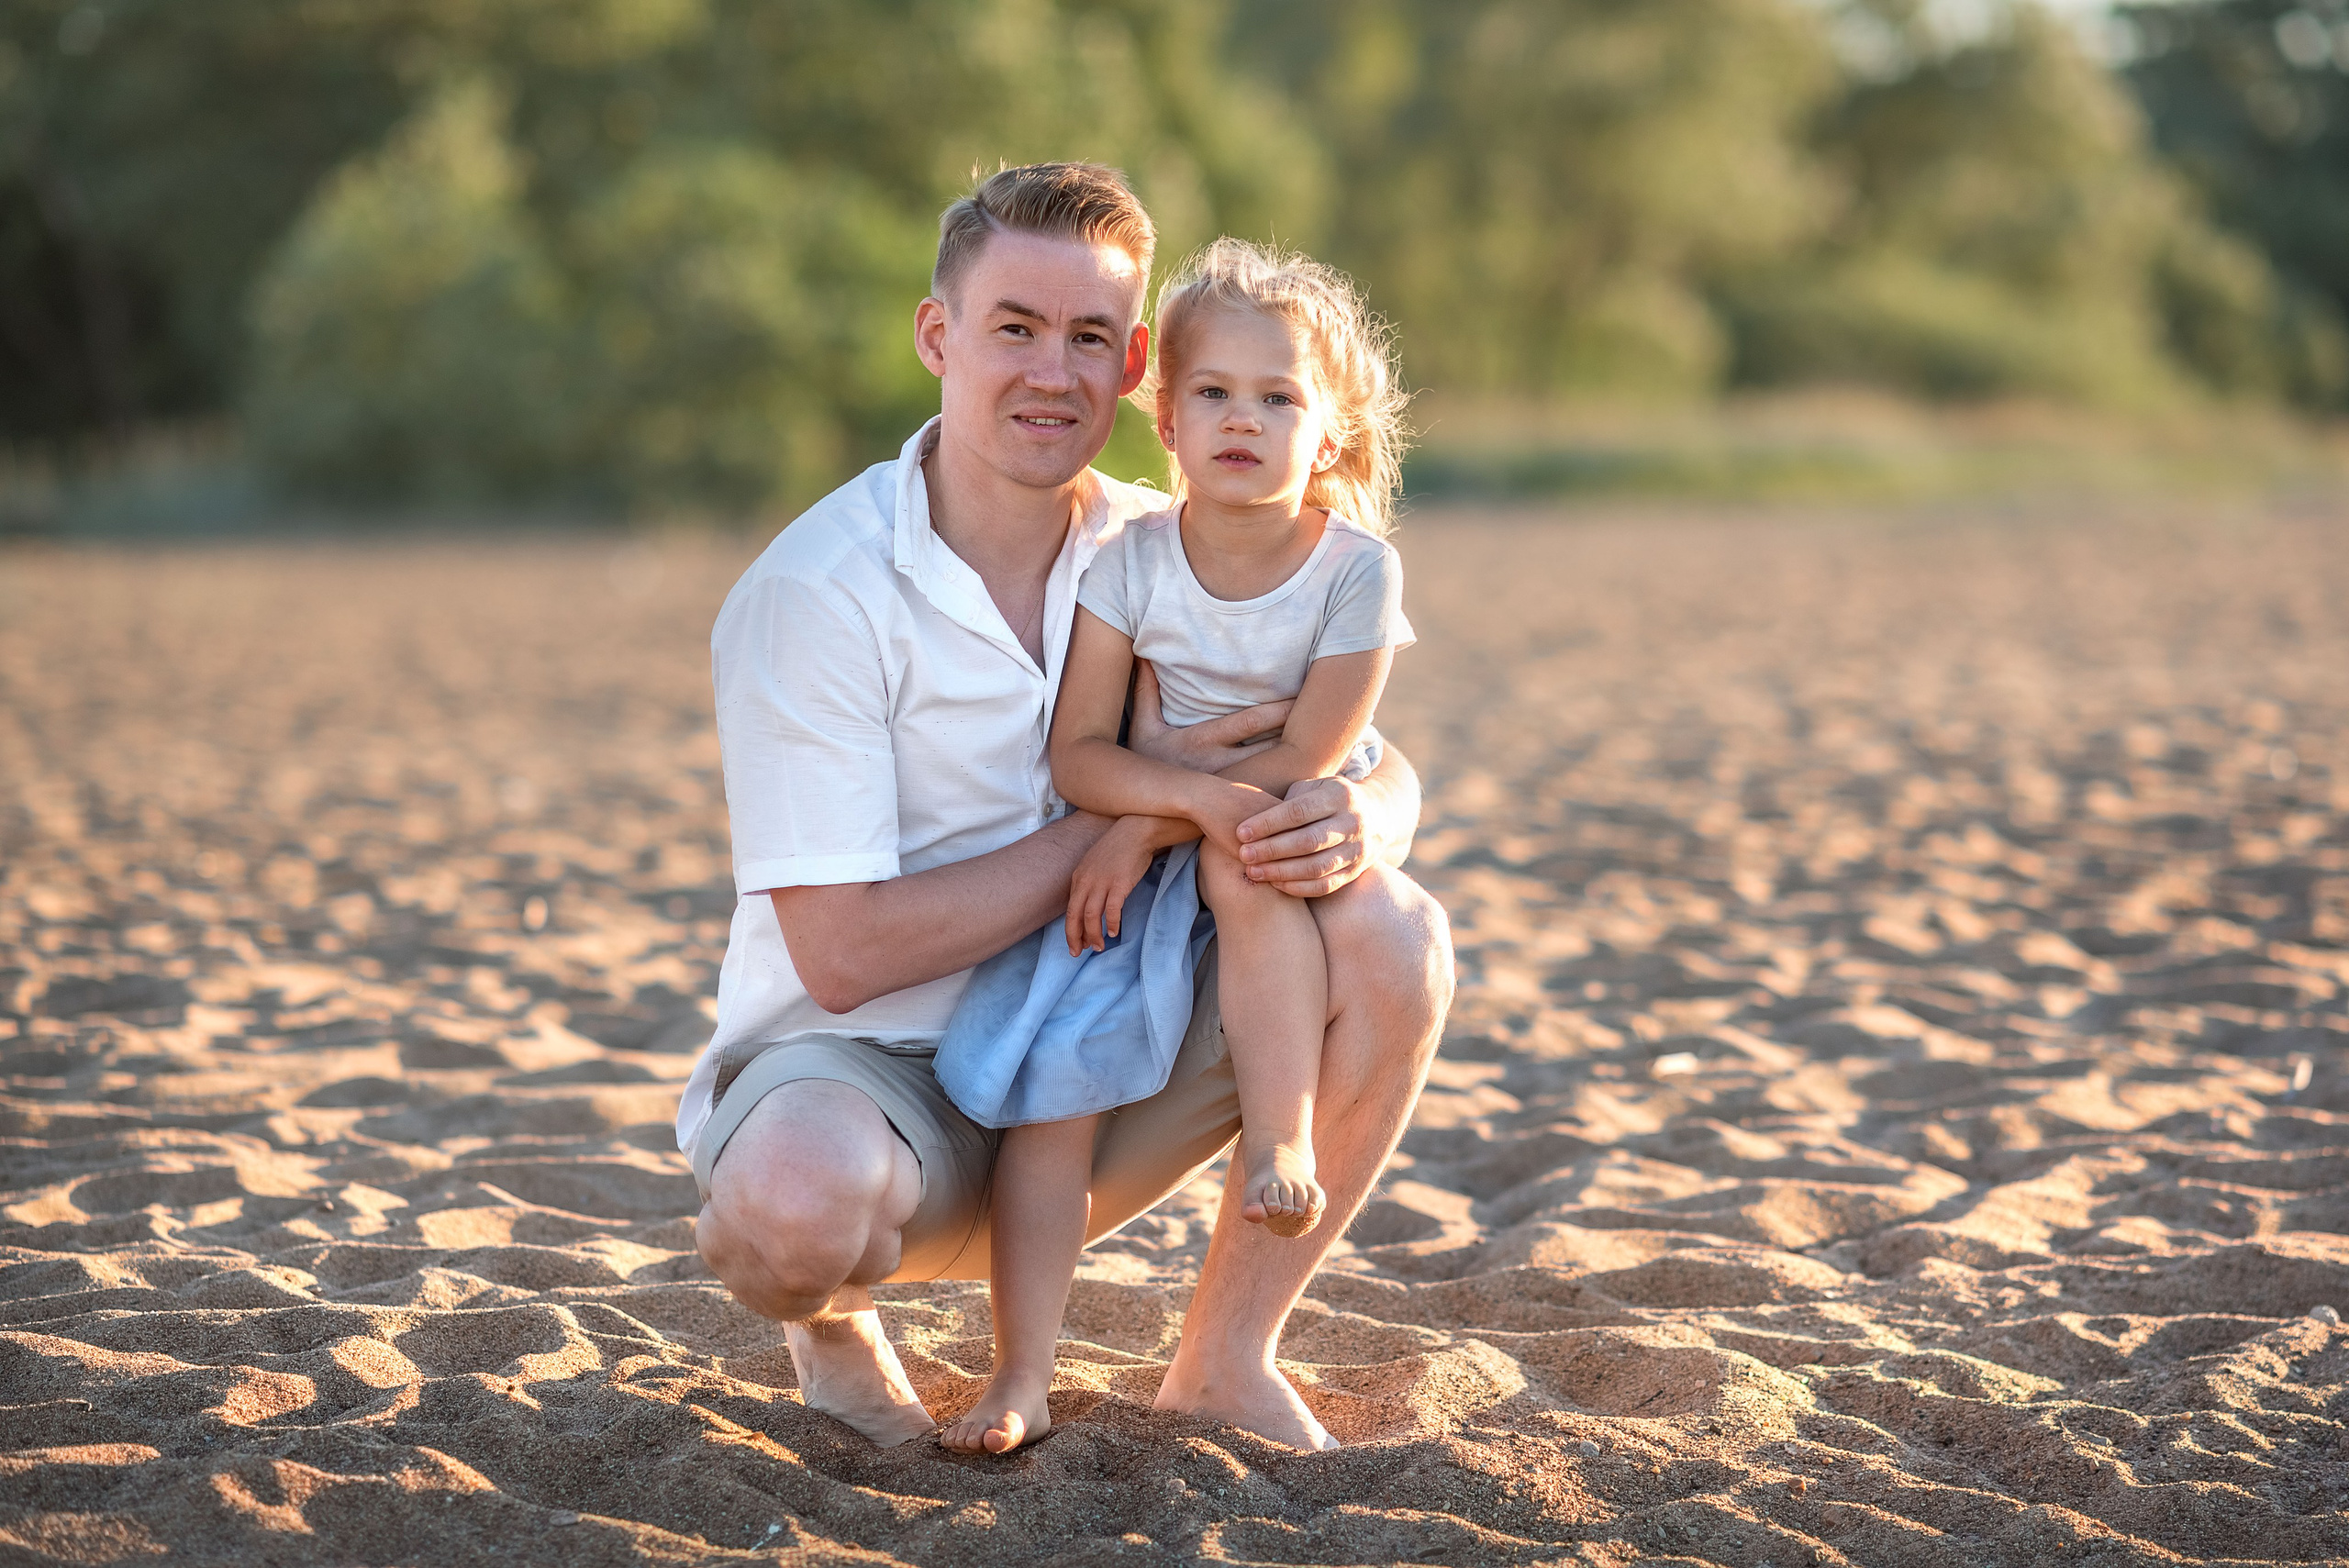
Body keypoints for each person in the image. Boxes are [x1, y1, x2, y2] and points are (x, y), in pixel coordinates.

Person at [683, 162, 1453, 1454]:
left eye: (1090, 336)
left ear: (1135, 364)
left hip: (1097, 1032)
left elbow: (1361, 749)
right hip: (873, 1077)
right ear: (939, 335)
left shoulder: (1174, 543)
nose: (1054, 370)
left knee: (1393, 934)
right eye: (1015, 328)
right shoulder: (816, 589)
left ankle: (1223, 1360)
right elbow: (842, 950)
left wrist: (1374, 809)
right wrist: (1119, 829)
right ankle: (832, 1316)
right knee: (796, 1201)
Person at [936, 239, 1414, 1454]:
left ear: (1333, 431)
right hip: (1146, 853)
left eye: (1279, 396)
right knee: (1052, 1094)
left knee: (1240, 868)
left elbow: (1315, 750)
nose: (1242, 419)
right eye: (1213, 392)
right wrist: (1145, 810)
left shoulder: (1355, 572)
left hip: (1261, 841)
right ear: (1165, 410)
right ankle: (1021, 1372)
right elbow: (1079, 752)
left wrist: (1159, 814)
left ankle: (1280, 1135)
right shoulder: (1132, 561)